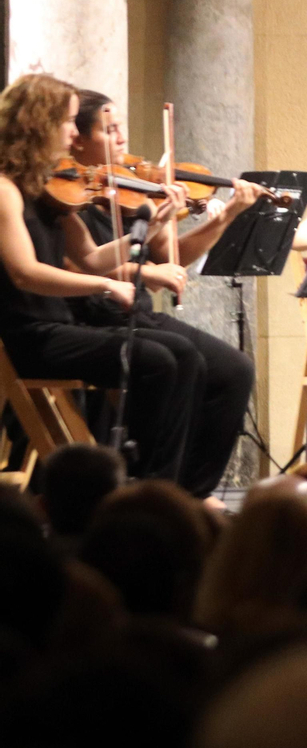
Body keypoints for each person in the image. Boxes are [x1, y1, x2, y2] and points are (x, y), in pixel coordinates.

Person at [0, 73, 231, 494]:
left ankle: (163, 488)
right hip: (29, 334)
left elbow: (90, 256)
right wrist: (103, 287)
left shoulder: (49, 186)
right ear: (39, 123)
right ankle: (143, 489)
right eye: (68, 122)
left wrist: (148, 227)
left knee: (183, 355)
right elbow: (24, 272)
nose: (72, 134)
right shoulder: (6, 190)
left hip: (59, 328)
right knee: (159, 359)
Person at [67, 89, 262, 497]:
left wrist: (226, 216)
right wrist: (149, 271)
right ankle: (156, 489)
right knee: (178, 358)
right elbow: (79, 265)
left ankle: (191, 494)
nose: (123, 139)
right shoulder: (69, 201)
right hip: (94, 313)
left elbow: (177, 256)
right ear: (78, 139)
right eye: (110, 129)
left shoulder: (131, 191)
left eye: (122, 128)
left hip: (138, 314)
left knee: (235, 370)